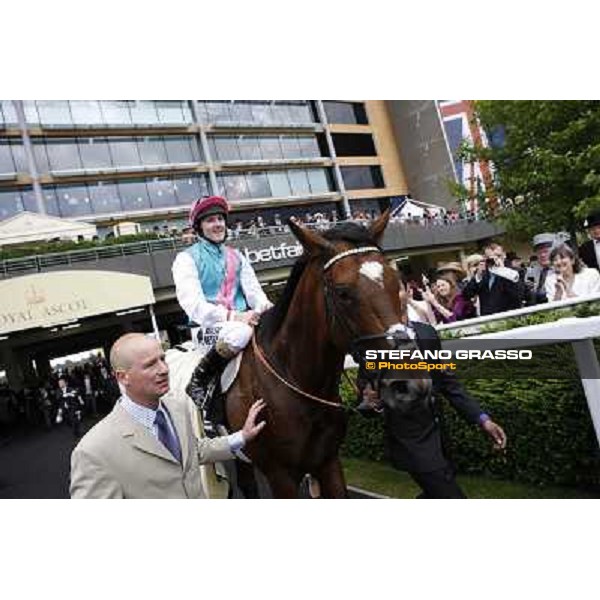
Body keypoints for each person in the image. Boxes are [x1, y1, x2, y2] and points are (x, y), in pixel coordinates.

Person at [356, 277, 507, 499]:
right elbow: (365, 400)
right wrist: (370, 402)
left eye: (394, 290)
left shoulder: (427, 333)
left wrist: (483, 419)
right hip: (410, 444)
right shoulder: (373, 344)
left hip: (439, 437)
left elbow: (448, 383)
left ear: (408, 291)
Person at [70, 333, 266, 499]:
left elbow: (193, 451)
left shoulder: (179, 406)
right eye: (150, 365)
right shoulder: (92, 451)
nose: (164, 370)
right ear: (123, 377)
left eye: (162, 359)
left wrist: (242, 436)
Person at [171, 196, 273, 413]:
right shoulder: (186, 259)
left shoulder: (237, 256)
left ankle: (366, 380)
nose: (217, 224)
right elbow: (194, 307)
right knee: (241, 333)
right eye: (210, 220)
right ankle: (199, 381)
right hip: (205, 329)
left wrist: (269, 311)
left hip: (242, 321)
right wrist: (235, 316)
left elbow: (256, 295)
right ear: (199, 227)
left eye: (220, 219)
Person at [462, 242, 522, 315]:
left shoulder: (514, 272)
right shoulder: (483, 275)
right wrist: (478, 276)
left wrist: (503, 271)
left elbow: (518, 296)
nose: (494, 259)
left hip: (509, 317)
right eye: (489, 258)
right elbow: (466, 295)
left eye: (498, 256)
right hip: (488, 320)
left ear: (504, 255)